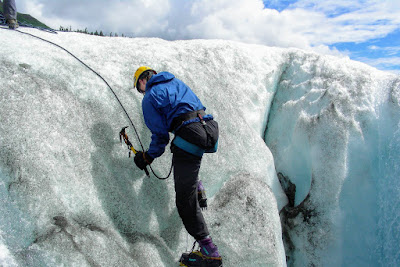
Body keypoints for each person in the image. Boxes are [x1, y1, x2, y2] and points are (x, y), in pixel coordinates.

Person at [132, 66, 222, 266]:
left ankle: (210, 252)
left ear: (142, 81)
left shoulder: (150, 97)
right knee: (186, 153)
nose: (141, 92)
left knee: (184, 202)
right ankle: (197, 186)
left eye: (139, 88)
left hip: (190, 136)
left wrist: (147, 157)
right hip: (209, 131)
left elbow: (160, 136)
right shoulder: (176, 83)